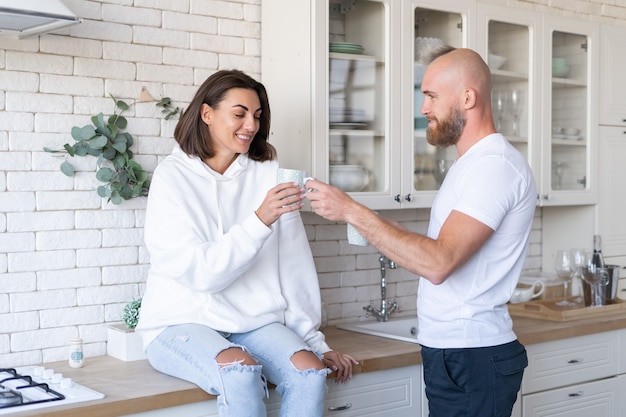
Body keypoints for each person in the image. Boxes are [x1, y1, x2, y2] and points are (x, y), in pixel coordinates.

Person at [306, 48, 537, 417]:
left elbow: (438, 262)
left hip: (472, 354)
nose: (423, 108)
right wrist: (360, 218)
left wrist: (352, 210)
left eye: (430, 96)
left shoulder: (494, 167)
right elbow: (435, 248)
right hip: (457, 353)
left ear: (467, 98)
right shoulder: (472, 164)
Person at [135, 69, 358, 417]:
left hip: (253, 322)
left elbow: (294, 262)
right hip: (180, 321)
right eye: (239, 114)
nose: (251, 126)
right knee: (238, 371)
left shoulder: (268, 173)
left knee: (310, 373)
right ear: (207, 114)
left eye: (256, 116)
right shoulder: (172, 178)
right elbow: (203, 276)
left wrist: (314, 343)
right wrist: (260, 219)